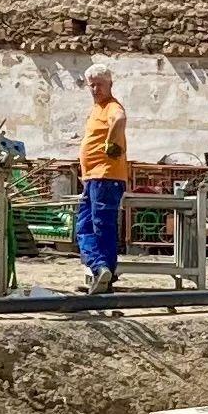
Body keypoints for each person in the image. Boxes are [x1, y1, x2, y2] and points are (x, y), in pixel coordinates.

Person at [75, 67, 131, 294]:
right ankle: (102, 272)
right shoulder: (96, 109)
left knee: (98, 224)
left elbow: (120, 119)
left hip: (105, 176)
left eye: (99, 84)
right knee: (88, 224)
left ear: (110, 85)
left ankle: (101, 269)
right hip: (94, 177)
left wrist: (111, 141)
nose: (95, 89)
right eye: (92, 85)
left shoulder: (112, 106)